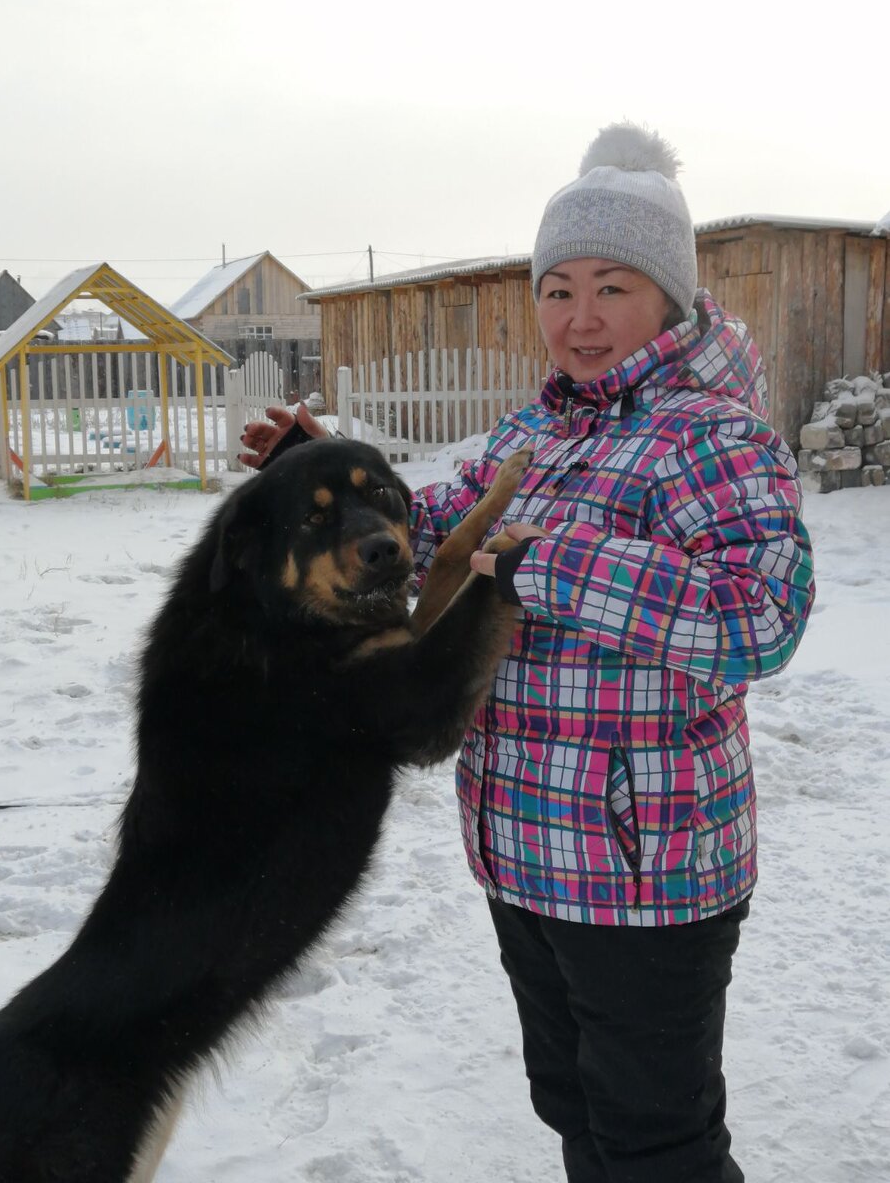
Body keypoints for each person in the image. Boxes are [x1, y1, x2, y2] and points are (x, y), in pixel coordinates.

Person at [240, 122, 815, 1183]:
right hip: (525, 851)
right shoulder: (535, 433)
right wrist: (329, 472)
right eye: (557, 289)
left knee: (660, 1146)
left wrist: (546, 562)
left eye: (612, 286)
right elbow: (428, 537)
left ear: (670, 297)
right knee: (574, 1109)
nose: (581, 319)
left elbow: (760, 619)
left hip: (646, 873)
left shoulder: (714, 437)